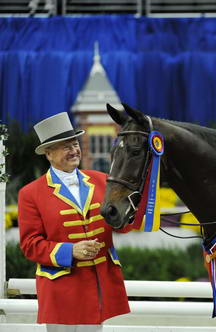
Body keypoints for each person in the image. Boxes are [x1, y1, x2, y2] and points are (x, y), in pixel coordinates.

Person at [18, 112, 136, 332]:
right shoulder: (30, 193)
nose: (73, 150)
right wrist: (70, 251)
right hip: (61, 288)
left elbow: (123, 225)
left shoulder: (103, 181)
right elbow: (30, 245)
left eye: (75, 143)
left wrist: (137, 209)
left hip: (98, 283)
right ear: (48, 153)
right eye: (65, 146)